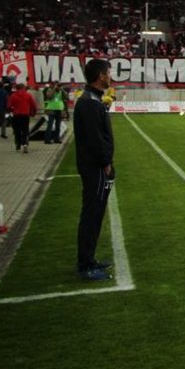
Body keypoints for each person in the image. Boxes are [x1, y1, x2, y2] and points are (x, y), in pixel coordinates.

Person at [73, 59, 115, 282]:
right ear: (100, 76)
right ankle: (86, 263)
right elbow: (95, 138)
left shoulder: (92, 100)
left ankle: (89, 259)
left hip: (94, 166)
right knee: (92, 214)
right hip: (96, 167)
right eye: (108, 72)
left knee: (95, 214)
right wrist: (105, 162)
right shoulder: (89, 102)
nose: (111, 76)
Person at [7, 83, 38, 153]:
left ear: (17, 88)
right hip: (25, 115)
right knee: (25, 130)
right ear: (24, 88)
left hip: (16, 115)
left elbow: (9, 106)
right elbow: (34, 105)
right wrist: (33, 113)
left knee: (17, 130)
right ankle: (25, 144)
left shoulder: (13, 96)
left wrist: (12, 110)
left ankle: (18, 144)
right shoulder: (28, 95)